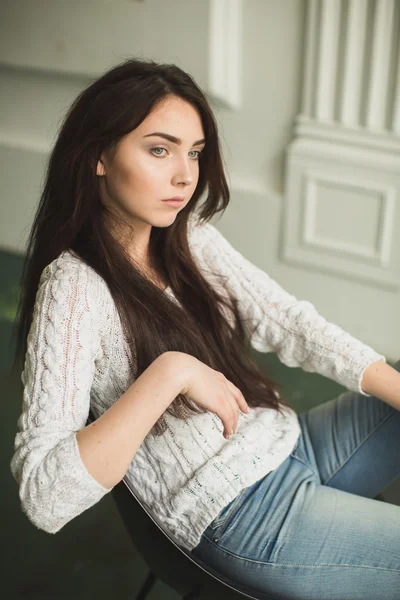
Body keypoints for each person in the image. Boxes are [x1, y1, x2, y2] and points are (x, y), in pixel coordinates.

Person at [9, 57, 400, 600]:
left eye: (193, 153)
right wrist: (170, 372)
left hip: (291, 445)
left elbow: (286, 320)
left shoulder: (188, 236)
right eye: (159, 149)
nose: (185, 175)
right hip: (239, 516)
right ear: (98, 155)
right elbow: (44, 497)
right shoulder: (75, 288)